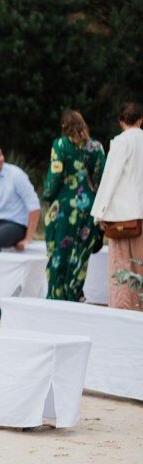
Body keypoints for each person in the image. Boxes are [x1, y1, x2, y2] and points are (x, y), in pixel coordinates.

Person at [42, 110, 106, 302]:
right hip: (89, 206)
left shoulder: (60, 144)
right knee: (80, 254)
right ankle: (75, 293)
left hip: (65, 207)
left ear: (64, 126)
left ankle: (56, 295)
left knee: (59, 254)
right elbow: (102, 177)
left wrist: (48, 196)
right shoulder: (97, 147)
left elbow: (55, 176)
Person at [91, 102, 143, 310]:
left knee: (121, 267)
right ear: (141, 120)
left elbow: (110, 177)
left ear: (121, 122)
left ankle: (123, 313)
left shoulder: (120, 143)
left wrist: (99, 213)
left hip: (123, 215)